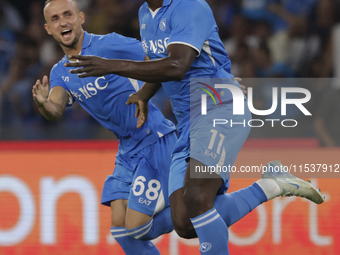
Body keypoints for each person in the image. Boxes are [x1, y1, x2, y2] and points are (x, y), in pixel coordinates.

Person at [65, 0, 325, 254]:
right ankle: (271, 185)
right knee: (185, 223)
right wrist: (144, 94)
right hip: (188, 121)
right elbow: (161, 62)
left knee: (197, 198)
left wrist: (110, 66)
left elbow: (178, 65)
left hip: (219, 106)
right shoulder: (145, 13)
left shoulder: (190, 5)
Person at [33, 0, 178, 254]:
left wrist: (143, 94)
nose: (63, 22)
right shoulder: (59, 72)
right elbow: (55, 109)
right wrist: (43, 104)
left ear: (81, 17)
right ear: (48, 28)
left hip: (153, 138)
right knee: (121, 230)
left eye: (68, 14)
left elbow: (156, 59)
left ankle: (209, 206)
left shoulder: (108, 44)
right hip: (127, 148)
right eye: (55, 19)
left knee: (141, 226)